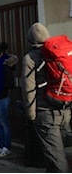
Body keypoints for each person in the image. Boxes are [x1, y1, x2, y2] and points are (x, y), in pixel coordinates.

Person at [21, 22, 70, 172]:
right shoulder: (58, 53)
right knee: (56, 153)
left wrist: (31, 115)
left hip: (45, 112)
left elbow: (28, 89)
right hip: (65, 109)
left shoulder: (30, 58)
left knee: (56, 159)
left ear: (30, 40)